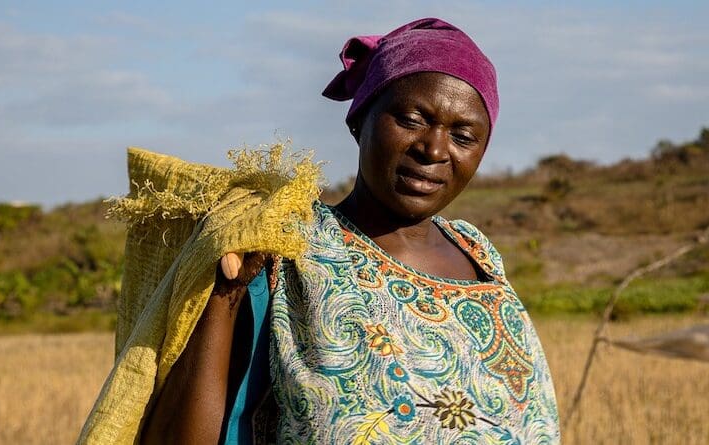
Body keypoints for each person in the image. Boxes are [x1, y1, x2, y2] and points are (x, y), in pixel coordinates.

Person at [143, 17, 559, 444]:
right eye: (412, 118)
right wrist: (222, 297)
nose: (434, 149)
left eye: (463, 135)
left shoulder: (479, 253)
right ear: (359, 119)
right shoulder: (289, 247)